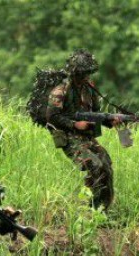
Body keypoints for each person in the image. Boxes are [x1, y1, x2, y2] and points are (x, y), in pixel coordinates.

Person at [45, 49, 121, 211]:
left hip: (85, 137)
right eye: (82, 73)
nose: (86, 76)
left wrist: (109, 121)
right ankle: (93, 209)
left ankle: (102, 209)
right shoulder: (61, 90)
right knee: (95, 165)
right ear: (75, 72)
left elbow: (95, 114)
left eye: (88, 73)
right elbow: (51, 116)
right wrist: (75, 124)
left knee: (106, 164)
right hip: (68, 137)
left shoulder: (89, 88)